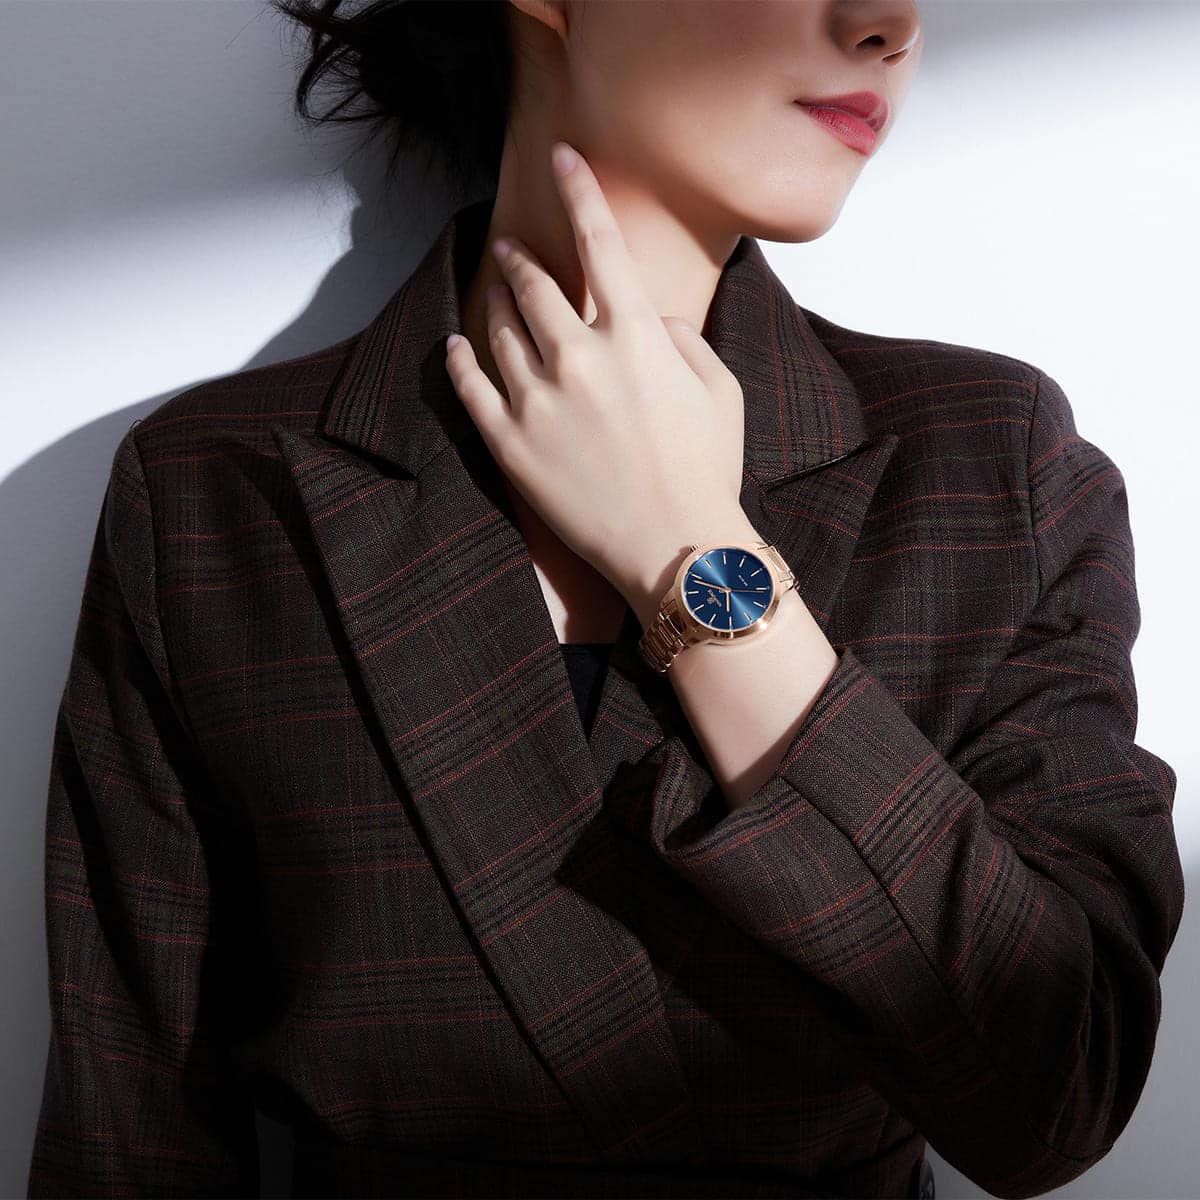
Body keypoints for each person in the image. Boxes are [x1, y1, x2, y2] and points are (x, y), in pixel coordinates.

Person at [26, 2, 1185, 1198]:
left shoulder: (987, 466)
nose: (890, 23)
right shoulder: (219, 494)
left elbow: (1058, 1091)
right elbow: (126, 1142)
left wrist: (691, 550)